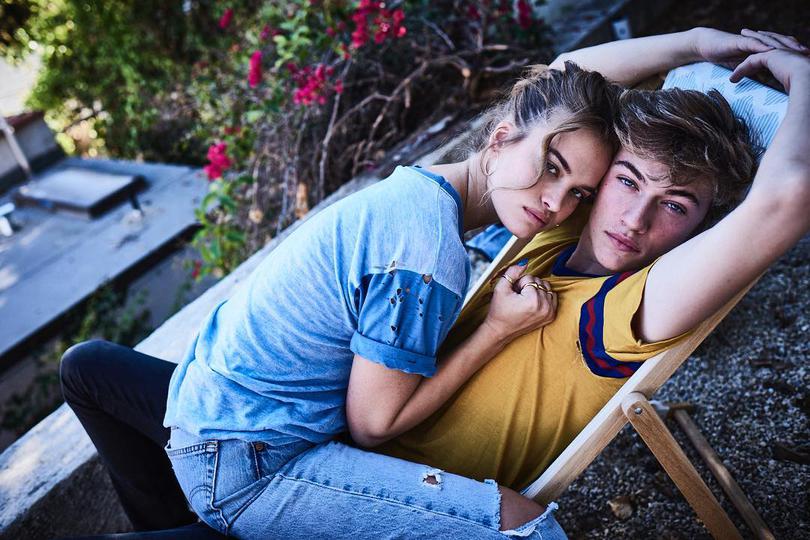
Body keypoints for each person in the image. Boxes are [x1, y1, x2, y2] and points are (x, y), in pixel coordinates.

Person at [59, 27, 809, 538]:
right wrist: (699, 41)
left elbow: (786, 196)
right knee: (89, 365)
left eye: (675, 206)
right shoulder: (557, 220)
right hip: (312, 441)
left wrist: (805, 75)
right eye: (625, 180)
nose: (635, 218)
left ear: (700, 228)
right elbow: (561, 86)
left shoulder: (633, 303)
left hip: (366, 474)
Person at [63, 60, 620, 540]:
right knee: (524, 527)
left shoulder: (419, 187)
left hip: (206, 410)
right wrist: (496, 330)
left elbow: (566, 79)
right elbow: (374, 425)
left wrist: (678, 52)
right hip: (249, 466)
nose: (557, 203)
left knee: (84, 363)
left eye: (579, 193)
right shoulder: (428, 251)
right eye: (551, 167)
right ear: (499, 139)